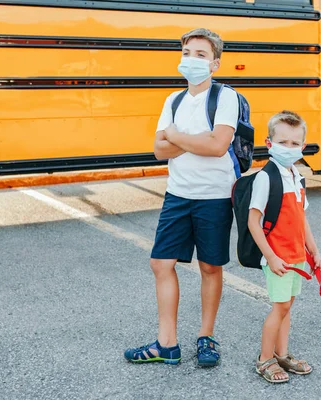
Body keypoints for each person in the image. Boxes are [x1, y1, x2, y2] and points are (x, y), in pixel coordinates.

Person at [124, 28, 239, 367]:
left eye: (200, 55)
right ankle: (167, 344)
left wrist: (176, 135)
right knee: (161, 263)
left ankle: (206, 337)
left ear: (214, 63)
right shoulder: (172, 100)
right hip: (178, 194)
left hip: (214, 196)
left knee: (210, 266)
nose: (191, 59)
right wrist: (193, 139)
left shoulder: (225, 97)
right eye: (187, 52)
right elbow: (159, 150)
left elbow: (218, 146)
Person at [247, 110, 321, 383]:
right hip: (277, 259)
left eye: (294, 143)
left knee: (287, 307)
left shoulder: (297, 176)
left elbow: (301, 220)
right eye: (282, 142)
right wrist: (271, 257)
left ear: (303, 147)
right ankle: (264, 359)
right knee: (279, 308)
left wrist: (313, 251)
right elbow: (253, 222)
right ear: (269, 144)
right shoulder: (265, 177)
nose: (288, 148)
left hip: (296, 256)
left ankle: (282, 354)